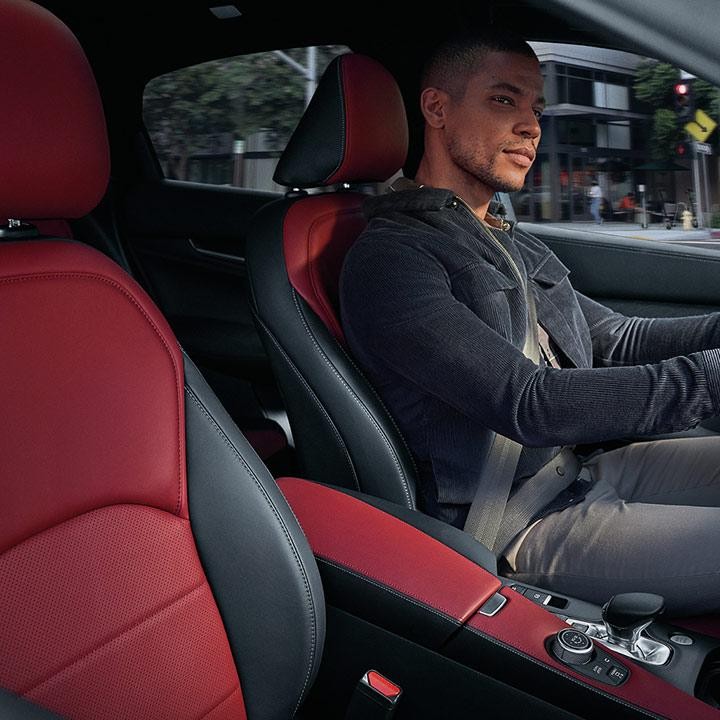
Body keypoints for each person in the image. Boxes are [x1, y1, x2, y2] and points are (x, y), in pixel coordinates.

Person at [339, 30, 720, 615]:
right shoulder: (393, 259)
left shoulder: (510, 240)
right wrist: (706, 380)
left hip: (583, 471)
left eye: (536, 109)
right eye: (504, 100)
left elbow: (618, 339)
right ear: (437, 108)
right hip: (518, 521)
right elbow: (528, 402)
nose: (532, 127)